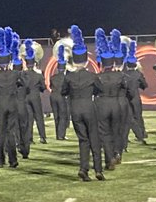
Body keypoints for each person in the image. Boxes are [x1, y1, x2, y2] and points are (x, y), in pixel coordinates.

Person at [60, 26, 104, 181]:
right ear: (86, 60)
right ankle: (98, 169)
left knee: (83, 140)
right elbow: (100, 90)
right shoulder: (92, 76)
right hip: (89, 108)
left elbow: (63, 92)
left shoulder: (69, 77)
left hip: (75, 109)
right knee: (94, 138)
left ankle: (83, 169)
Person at [0, 28, 21, 168]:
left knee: (0, 132)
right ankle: (13, 160)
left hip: (0, 104)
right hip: (12, 104)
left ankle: (0, 160)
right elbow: (22, 83)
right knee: (10, 132)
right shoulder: (14, 74)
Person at [94, 29, 124, 169]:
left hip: (102, 105)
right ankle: (118, 153)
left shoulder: (98, 77)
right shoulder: (119, 76)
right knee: (116, 130)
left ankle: (109, 157)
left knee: (104, 133)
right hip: (116, 104)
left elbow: (94, 90)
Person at [21, 38, 48, 144]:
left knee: (29, 118)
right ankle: (42, 137)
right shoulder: (38, 75)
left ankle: (30, 138)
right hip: (35, 97)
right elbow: (43, 87)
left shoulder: (23, 74)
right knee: (39, 117)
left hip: (26, 97)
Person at [121, 40, 147, 144]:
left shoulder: (123, 74)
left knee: (127, 118)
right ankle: (142, 133)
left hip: (126, 99)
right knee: (138, 116)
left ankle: (126, 137)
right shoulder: (138, 74)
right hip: (136, 98)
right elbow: (145, 86)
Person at [48, 43, 70, 141]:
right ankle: (61, 135)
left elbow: (50, 86)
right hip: (61, 97)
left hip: (53, 96)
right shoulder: (66, 78)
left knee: (56, 116)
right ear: (64, 68)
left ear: (57, 69)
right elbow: (66, 88)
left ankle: (58, 134)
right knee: (62, 116)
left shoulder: (53, 77)